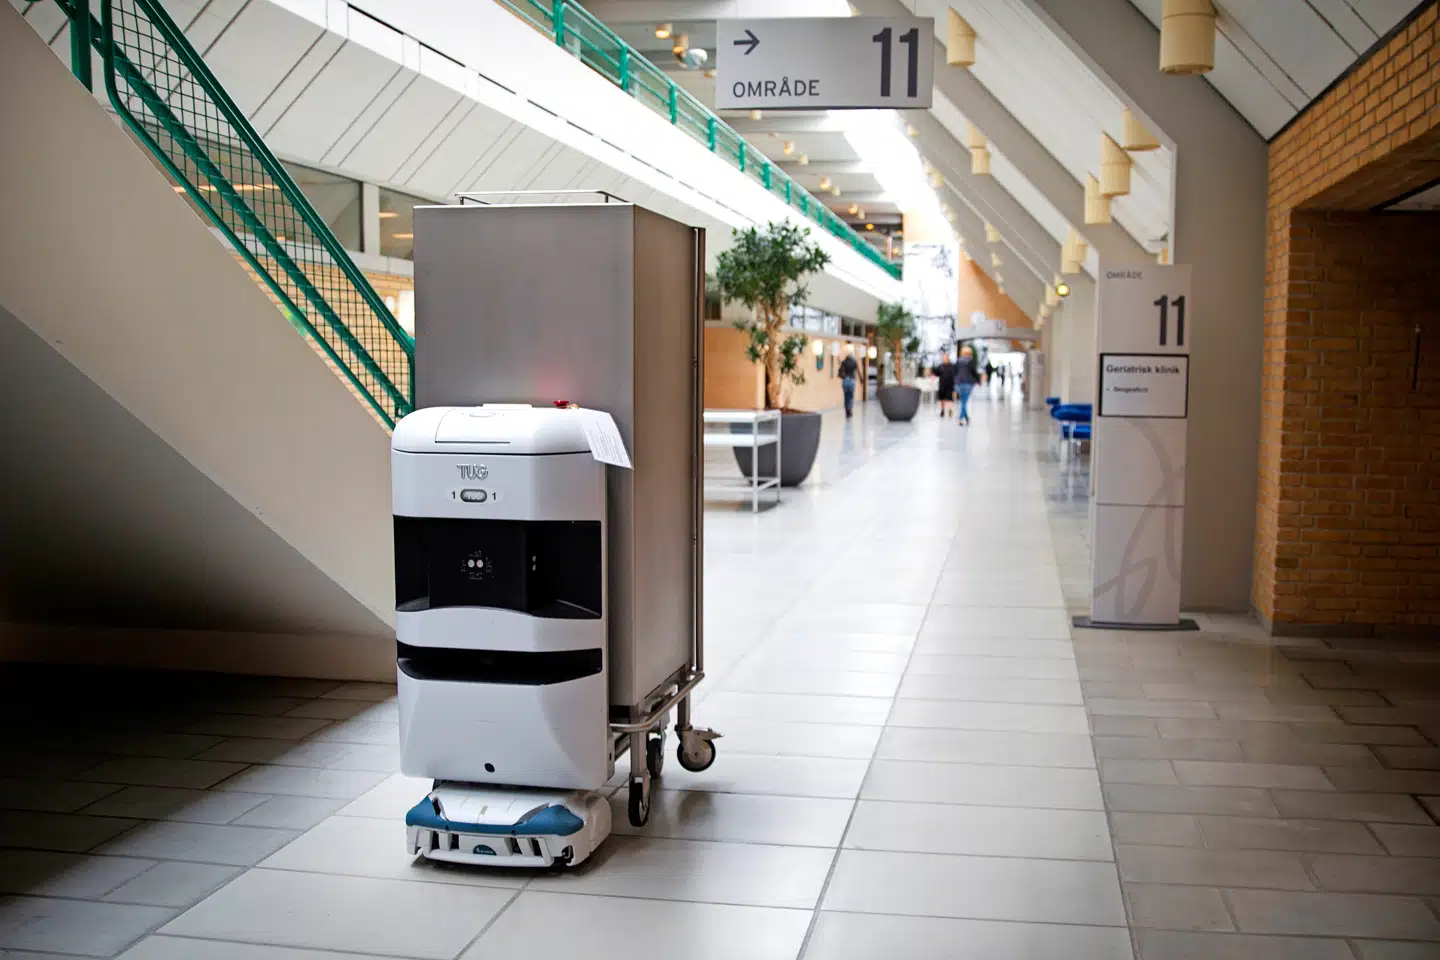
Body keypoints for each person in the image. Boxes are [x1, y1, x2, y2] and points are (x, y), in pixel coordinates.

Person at [955, 345, 980, 426]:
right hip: (968, 383)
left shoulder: (958, 361)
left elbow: (955, 372)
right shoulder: (971, 361)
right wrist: (978, 381)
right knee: (964, 402)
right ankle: (961, 418)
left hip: (959, 383)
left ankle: (966, 418)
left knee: (963, 401)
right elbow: (974, 372)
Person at [932, 351, 957, 417]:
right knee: (942, 398)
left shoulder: (953, 366)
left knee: (950, 398)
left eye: (946, 358)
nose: (945, 359)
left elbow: (956, 374)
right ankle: (942, 410)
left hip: (950, 385)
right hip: (942, 385)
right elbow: (935, 373)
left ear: (948, 358)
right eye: (944, 358)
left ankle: (950, 409)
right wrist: (932, 380)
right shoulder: (940, 366)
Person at [838, 350, 859, 418]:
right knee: (851, 396)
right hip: (851, 380)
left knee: (846, 396)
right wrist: (861, 379)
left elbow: (840, 371)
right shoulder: (854, 362)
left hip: (845, 381)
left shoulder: (844, 362)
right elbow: (857, 371)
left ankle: (847, 410)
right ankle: (850, 409)